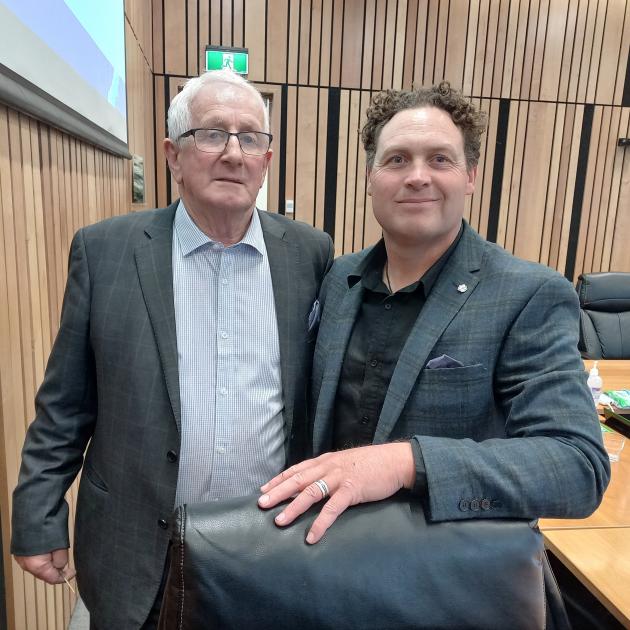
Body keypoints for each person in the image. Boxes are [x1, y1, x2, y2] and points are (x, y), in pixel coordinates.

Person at [11, 69, 333, 629]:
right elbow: (65, 402)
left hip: (268, 547)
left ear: (266, 160)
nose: (233, 153)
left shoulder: (309, 254)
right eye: (211, 134)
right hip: (139, 545)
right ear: (172, 155)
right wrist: (37, 515)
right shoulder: (106, 251)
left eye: (250, 138)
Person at [259, 82, 610, 545]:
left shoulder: (530, 293)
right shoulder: (337, 279)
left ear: (470, 176)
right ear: (370, 177)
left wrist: (405, 462)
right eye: (397, 159)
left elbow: (577, 466)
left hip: (440, 579)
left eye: (440, 159)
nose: (417, 176)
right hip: (320, 560)